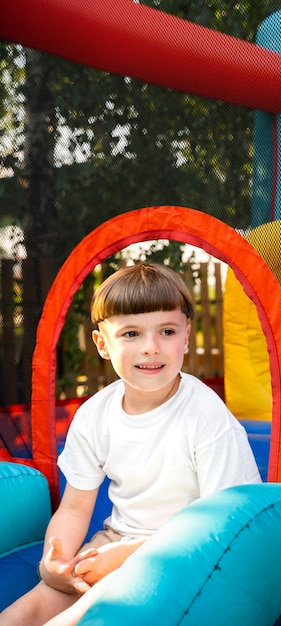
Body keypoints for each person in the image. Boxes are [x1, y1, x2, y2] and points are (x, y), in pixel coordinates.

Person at [1, 262, 261, 626]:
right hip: (119, 538)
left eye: (166, 331)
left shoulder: (204, 414)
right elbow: (75, 509)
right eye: (131, 334)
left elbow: (219, 524)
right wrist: (54, 561)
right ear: (102, 344)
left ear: (186, 335)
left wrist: (127, 557)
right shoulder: (95, 416)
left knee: (93, 605)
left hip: (192, 549)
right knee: (39, 601)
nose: (151, 348)